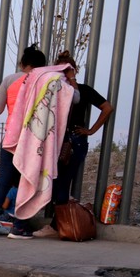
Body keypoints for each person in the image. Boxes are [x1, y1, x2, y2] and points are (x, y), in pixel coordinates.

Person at [0, 45, 78, 239]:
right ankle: (19, 227)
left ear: (22, 63)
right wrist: (70, 77)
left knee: (3, 181)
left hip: (12, 138)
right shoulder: (48, 79)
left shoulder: (10, 80)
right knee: (28, 180)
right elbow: (76, 98)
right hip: (34, 140)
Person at [34, 50, 114, 238]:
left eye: (68, 70)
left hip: (73, 142)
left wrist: (91, 130)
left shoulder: (82, 90)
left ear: (74, 70)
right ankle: (60, 222)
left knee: (62, 183)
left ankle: (57, 225)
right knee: (53, 182)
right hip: (57, 141)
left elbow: (107, 107)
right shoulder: (54, 89)